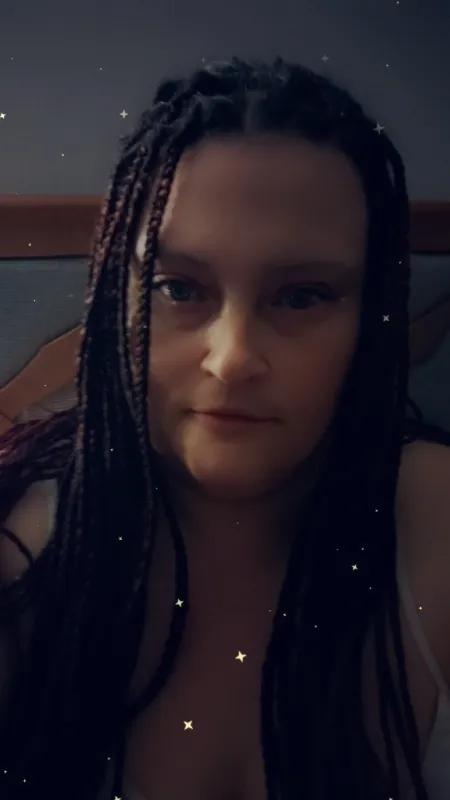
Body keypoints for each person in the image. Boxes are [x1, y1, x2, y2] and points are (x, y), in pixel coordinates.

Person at [0, 57, 449, 800]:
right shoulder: (25, 551)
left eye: (302, 296)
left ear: (369, 319)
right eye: (178, 287)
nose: (232, 357)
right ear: (118, 300)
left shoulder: (436, 527)